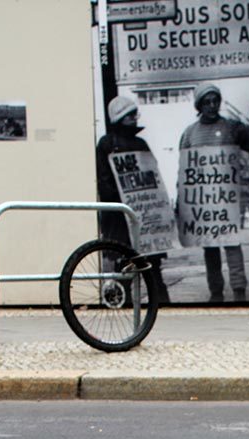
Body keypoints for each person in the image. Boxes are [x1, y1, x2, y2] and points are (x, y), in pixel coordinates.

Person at [178, 82, 249, 302]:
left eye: (215, 101)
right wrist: (181, 200)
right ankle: (215, 291)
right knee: (209, 248)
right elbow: (184, 170)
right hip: (203, 203)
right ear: (199, 105)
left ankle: (239, 289)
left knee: (231, 243)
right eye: (207, 102)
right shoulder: (190, 134)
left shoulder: (232, 127)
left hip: (227, 199)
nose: (212, 105)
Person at [96, 95, 169, 302]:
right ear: (119, 118)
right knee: (124, 267)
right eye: (129, 115)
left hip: (142, 215)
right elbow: (104, 180)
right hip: (121, 218)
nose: (133, 119)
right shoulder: (107, 144)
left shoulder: (139, 143)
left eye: (133, 114)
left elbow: (153, 176)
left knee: (153, 270)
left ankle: (161, 306)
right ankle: (125, 306)